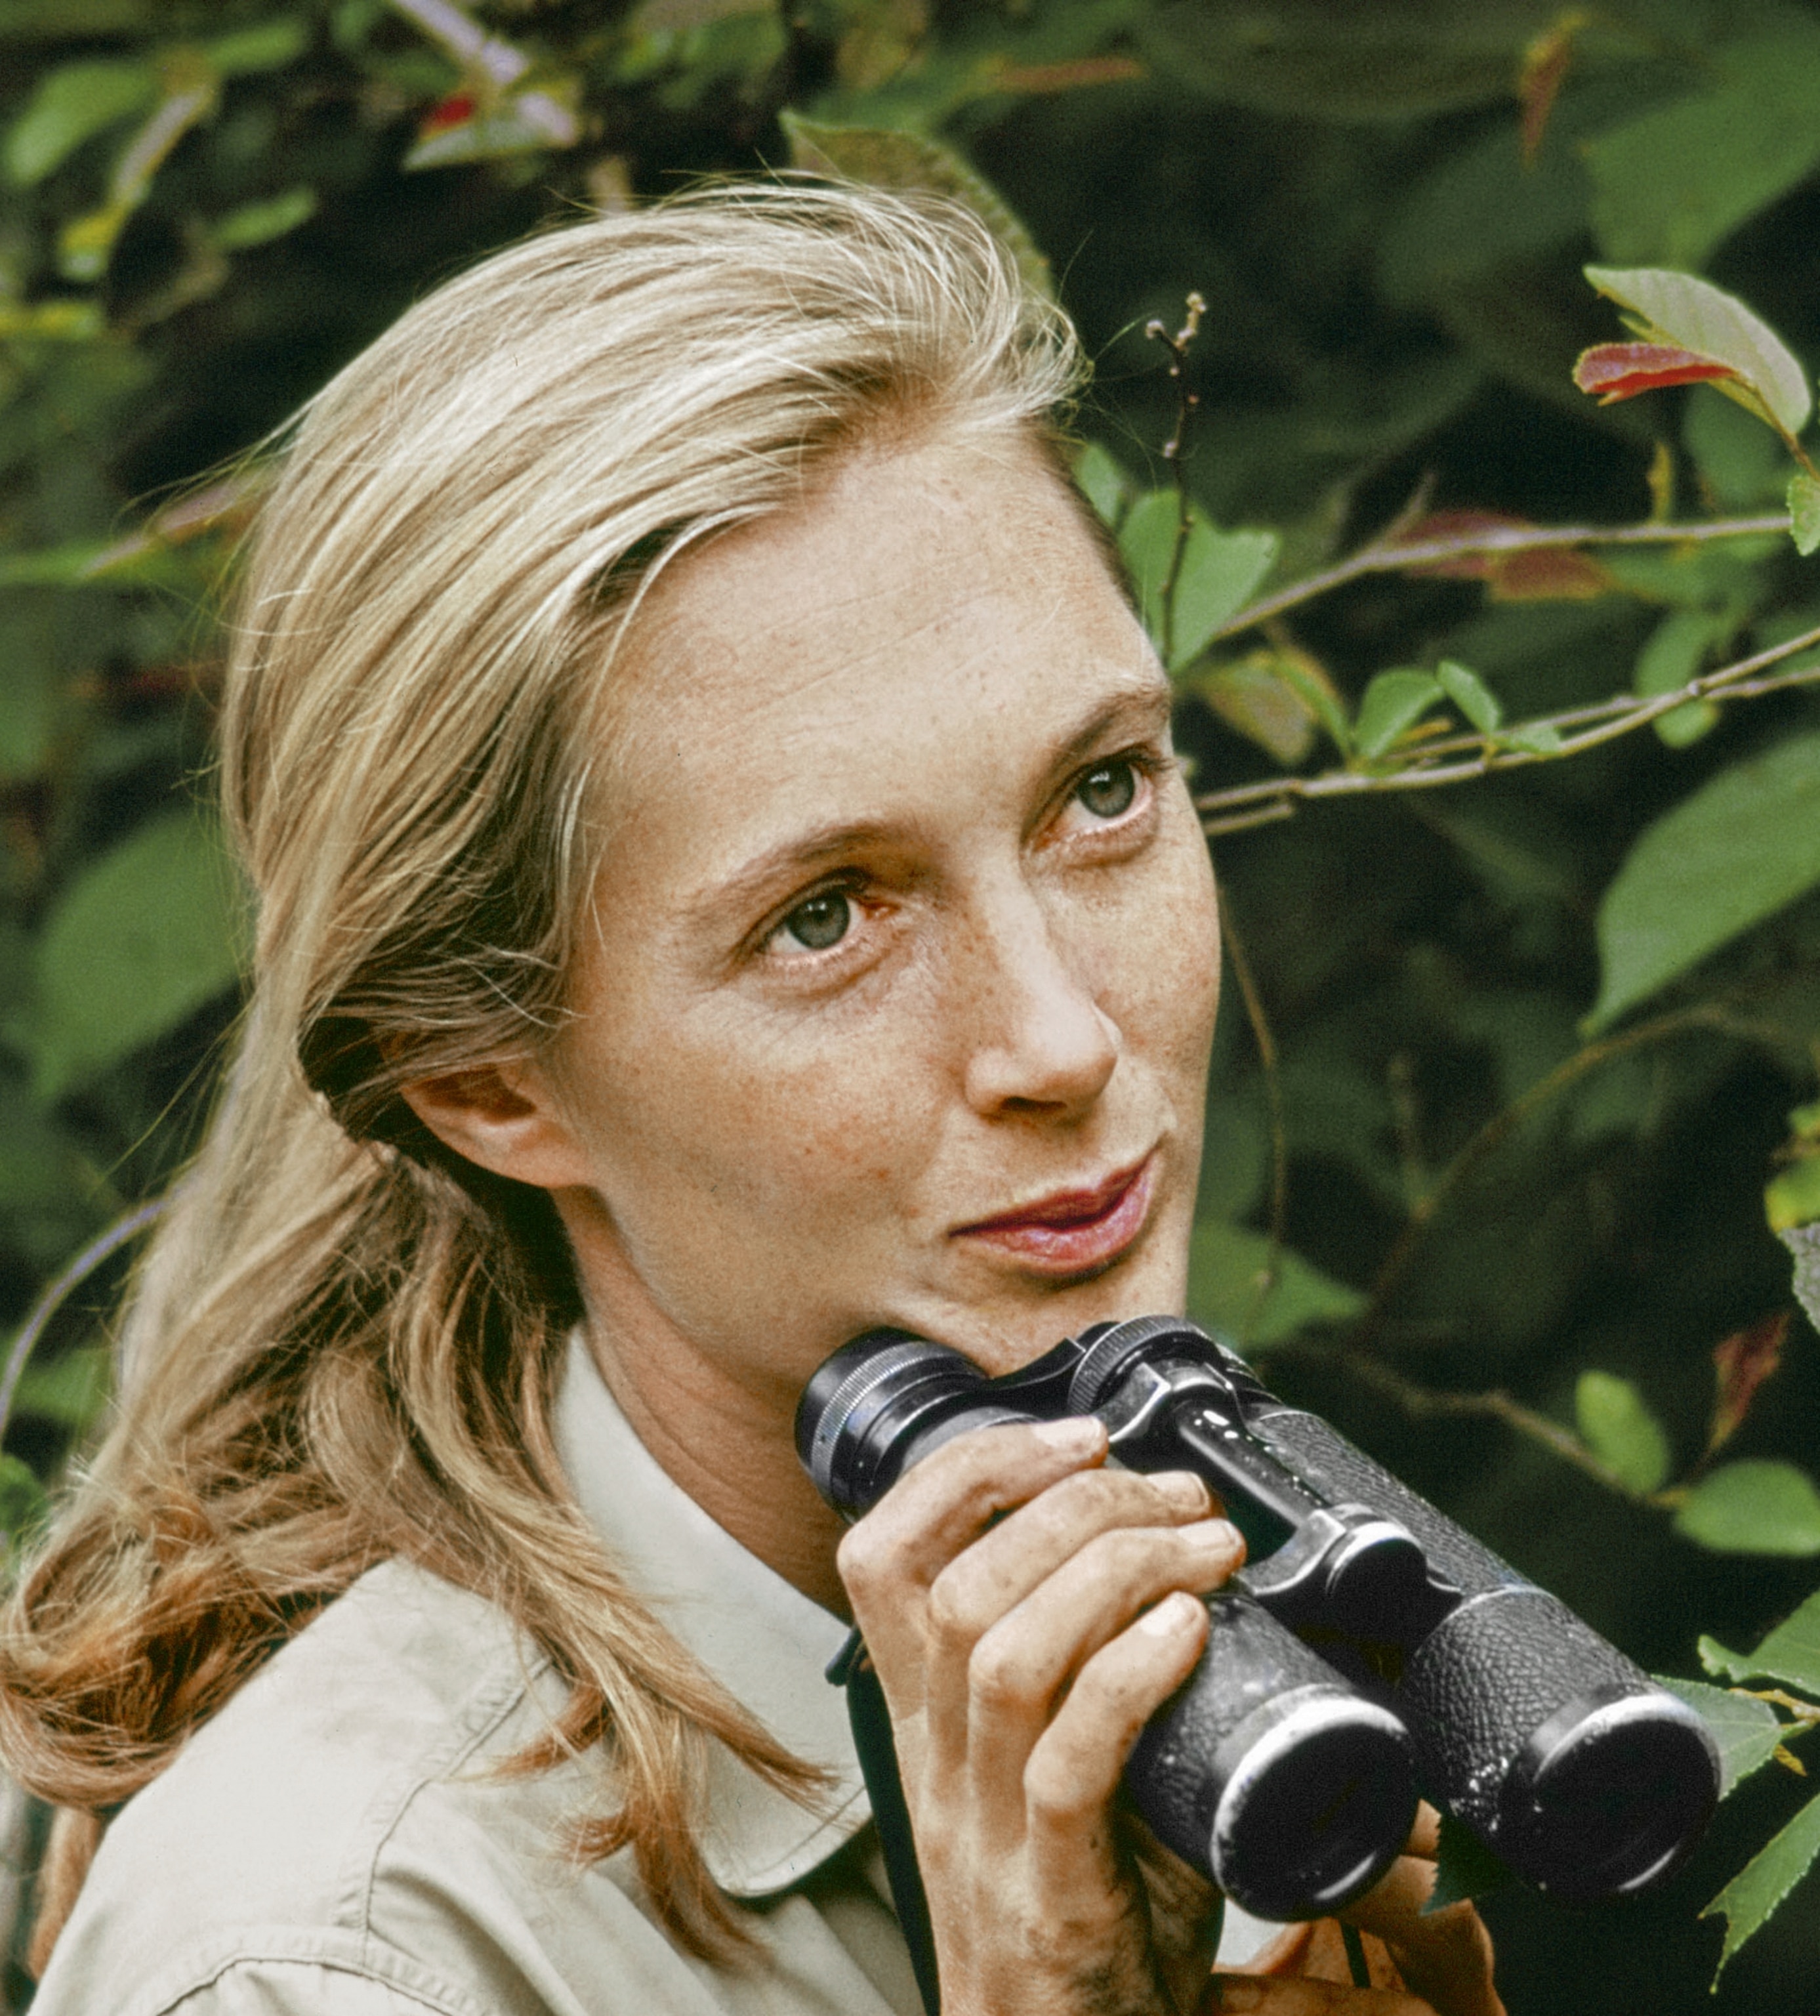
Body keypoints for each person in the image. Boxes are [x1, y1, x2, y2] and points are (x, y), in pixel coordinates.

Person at [0, 182, 1503, 2016]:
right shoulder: (331, 1957)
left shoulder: (1203, 1670)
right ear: (485, 1082)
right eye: (824, 918)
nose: (1059, 1041)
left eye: (1099, 794)